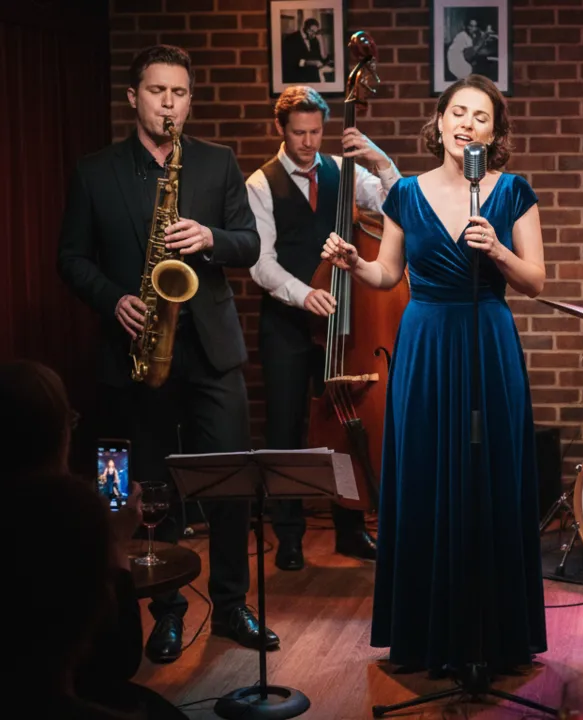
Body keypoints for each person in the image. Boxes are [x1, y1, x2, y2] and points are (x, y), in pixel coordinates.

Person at [56, 44, 278, 665]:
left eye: (180, 93)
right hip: (138, 349)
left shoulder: (217, 161)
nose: (169, 104)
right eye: (158, 92)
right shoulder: (94, 171)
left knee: (230, 482)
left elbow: (249, 243)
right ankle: (167, 610)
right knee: (148, 489)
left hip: (210, 349)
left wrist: (210, 237)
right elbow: (70, 257)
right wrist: (113, 300)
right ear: (134, 97)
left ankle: (231, 604)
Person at [321, 74, 548, 674]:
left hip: (487, 339)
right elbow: (387, 275)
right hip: (424, 343)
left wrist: (498, 250)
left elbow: (535, 280)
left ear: (494, 133)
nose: (468, 124)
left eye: (481, 116)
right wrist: (355, 261)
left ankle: (493, 634)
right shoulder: (404, 193)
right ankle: (423, 632)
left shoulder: (514, 191)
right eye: (458, 112)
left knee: (487, 472)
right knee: (423, 471)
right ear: (440, 121)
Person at [247, 85, 402, 570]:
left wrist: (380, 161)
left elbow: (398, 204)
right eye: (299, 133)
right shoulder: (260, 183)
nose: (309, 142)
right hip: (289, 324)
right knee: (286, 429)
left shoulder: (342, 170)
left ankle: (350, 529)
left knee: (343, 422)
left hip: (345, 321)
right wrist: (304, 294)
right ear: (281, 128)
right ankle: (289, 535)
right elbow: (260, 263)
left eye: (316, 132)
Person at [2, 359, 188, 719]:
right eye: (69, 422)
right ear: (59, 434)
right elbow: (118, 659)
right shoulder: (72, 512)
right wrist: (114, 541)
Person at [281, 18, 332, 84]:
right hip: (297, 75)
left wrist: (321, 42)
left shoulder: (314, 39)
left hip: (312, 73)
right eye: (311, 31)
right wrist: (309, 62)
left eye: (315, 32)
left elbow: (320, 57)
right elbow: (290, 62)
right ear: (304, 28)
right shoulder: (291, 39)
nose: (313, 35)